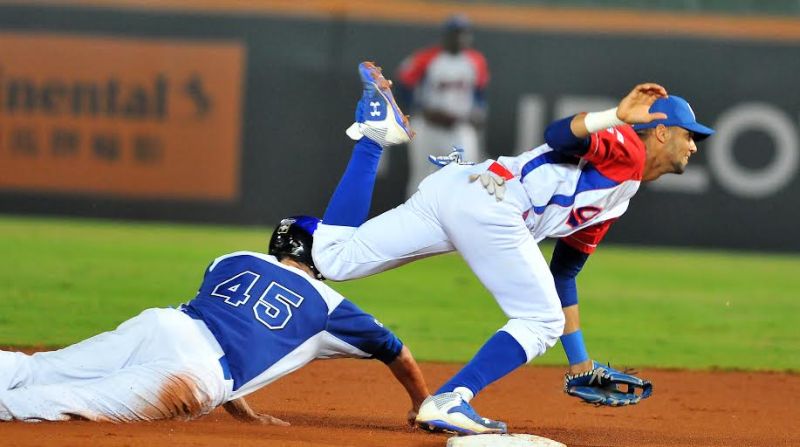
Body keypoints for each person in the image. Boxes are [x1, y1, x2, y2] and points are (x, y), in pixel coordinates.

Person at [312, 62, 714, 434]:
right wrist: (614, 117)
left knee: (334, 259)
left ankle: (374, 135)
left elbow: (564, 274)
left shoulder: (619, 198)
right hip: (494, 205)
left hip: (459, 189)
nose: (694, 146)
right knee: (541, 322)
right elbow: (557, 135)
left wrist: (580, 365)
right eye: (689, 135)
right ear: (661, 132)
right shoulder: (628, 147)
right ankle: (452, 398)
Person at [0, 216, 430, 424]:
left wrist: (243, 411)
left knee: (39, 368)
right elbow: (397, 352)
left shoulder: (233, 259)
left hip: (163, 325)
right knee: (72, 403)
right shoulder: (332, 306)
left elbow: (232, 325)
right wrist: (419, 404)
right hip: (196, 374)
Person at [396, 14, 489, 198]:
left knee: (467, 177)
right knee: (422, 178)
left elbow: (479, 93)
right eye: (456, 33)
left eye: (464, 33)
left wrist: (478, 113)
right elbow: (403, 85)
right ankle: (414, 224)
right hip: (428, 127)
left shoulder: (476, 60)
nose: (461, 38)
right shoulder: (426, 58)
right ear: (445, 35)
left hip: (459, 127)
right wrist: (420, 109)